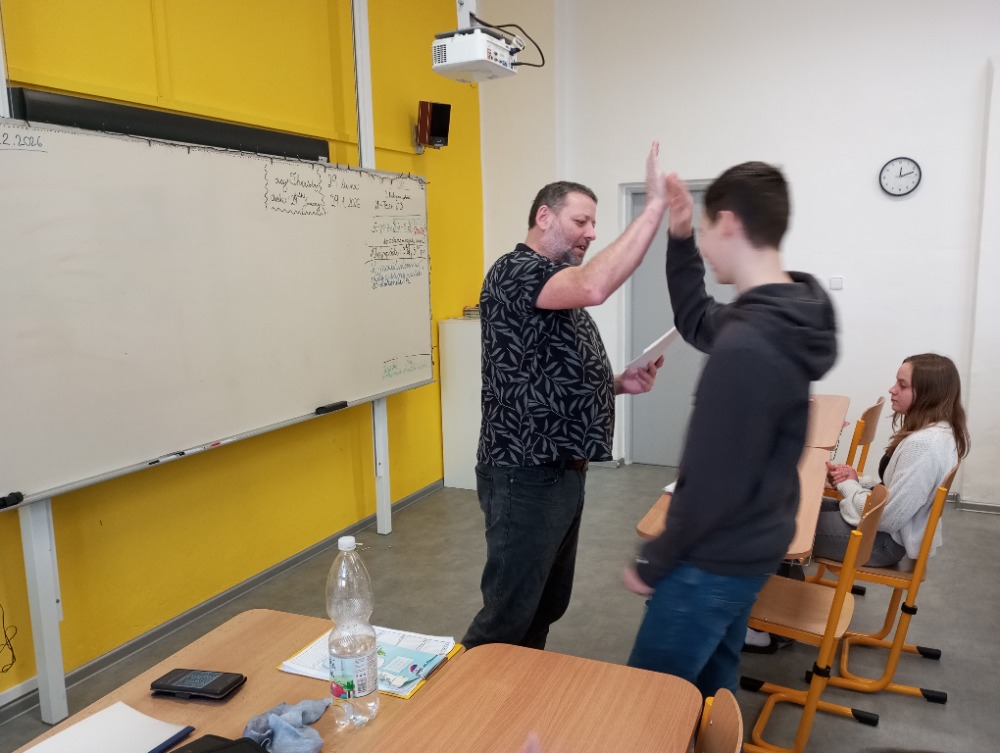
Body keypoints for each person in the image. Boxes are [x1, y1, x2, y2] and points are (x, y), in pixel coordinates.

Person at [622, 162, 838, 698]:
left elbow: (713, 481)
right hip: (750, 551)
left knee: (646, 705)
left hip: (709, 561)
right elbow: (696, 318)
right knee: (713, 692)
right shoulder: (785, 317)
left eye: (702, 229)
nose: (703, 244)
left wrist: (655, 560)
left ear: (729, 223)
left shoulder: (747, 345)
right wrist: (678, 235)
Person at [462, 143, 669, 650]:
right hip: (524, 471)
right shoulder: (517, 271)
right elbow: (596, 286)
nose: (591, 233)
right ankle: (460, 695)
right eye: (581, 221)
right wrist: (653, 209)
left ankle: (519, 686)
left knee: (545, 603)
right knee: (507, 614)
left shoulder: (552, 285)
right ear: (543, 217)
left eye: (594, 223)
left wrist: (617, 383)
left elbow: (546, 372)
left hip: (560, 470)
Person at [817, 353, 970, 566]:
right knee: (796, 506)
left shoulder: (924, 445)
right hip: (883, 534)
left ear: (928, 393)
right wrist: (857, 482)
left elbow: (886, 519)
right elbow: (895, 490)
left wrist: (849, 486)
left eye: (902, 385)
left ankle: (784, 576)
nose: (892, 389)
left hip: (880, 543)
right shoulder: (938, 431)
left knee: (784, 523)